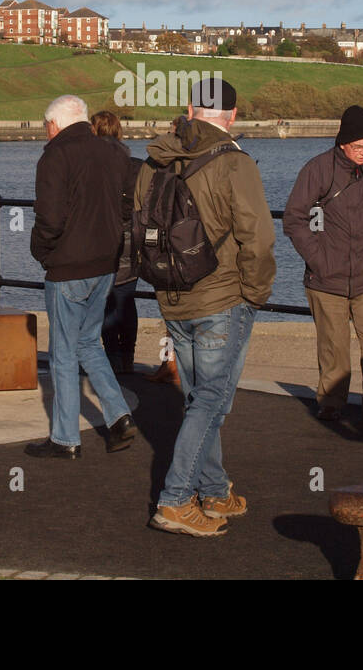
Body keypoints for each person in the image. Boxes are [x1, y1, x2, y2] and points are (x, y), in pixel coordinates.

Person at [136, 79, 276, 537]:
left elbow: (138, 227)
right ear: (232, 116)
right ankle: (176, 500)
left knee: (199, 398)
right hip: (222, 298)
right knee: (211, 399)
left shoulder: (153, 161)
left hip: (172, 296)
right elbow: (257, 238)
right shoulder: (235, 163)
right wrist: (255, 294)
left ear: (191, 109)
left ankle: (213, 489)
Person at [26, 95, 136, 459]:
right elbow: (122, 208)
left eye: (46, 126)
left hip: (68, 267)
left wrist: (42, 253)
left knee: (62, 353)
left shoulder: (55, 156)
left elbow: (50, 218)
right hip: (105, 264)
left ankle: (65, 438)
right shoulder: (113, 153)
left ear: (53, 124)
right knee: (89, 342)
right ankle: (119, 415)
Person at [283, 105, 363, 424]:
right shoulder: (317, 169)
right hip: (326, 278)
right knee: (332, 344)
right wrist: (318, 259)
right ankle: (331, 402)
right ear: (342, 144)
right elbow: (295, 218)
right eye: (358, 147)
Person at [91, 110, 141, 374]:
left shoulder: (92, 165)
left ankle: (111, 356)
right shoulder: (135, 165)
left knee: (106, 299)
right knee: (126, 298)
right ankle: (128, 355)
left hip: (104, 238)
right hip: (133, 237)